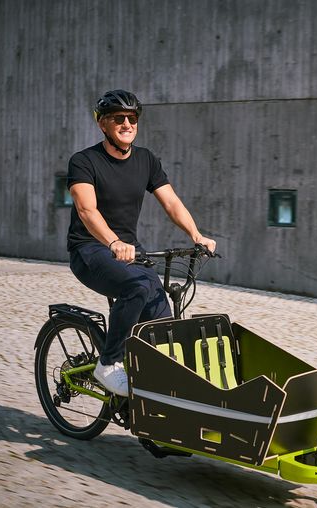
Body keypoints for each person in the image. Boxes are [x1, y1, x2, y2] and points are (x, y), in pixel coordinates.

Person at [66, 89, 216, 396]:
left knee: (162, 321)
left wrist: (196, 235)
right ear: (102, 124)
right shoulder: (84, 161)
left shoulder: (146, 160)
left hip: (129, 251)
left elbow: (172, 202)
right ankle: (108, 364)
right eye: (118, 118)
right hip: (90, 249)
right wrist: (113, 243)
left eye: (132, 118)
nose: (126, 124)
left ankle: (151, 395)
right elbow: (87, 210)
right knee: (136, 287)